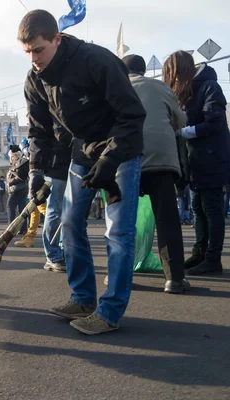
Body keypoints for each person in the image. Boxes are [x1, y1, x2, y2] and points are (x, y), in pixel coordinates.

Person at [19, 10, 146, 335]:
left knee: (118, 233)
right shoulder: (35, 80)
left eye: (39, 50)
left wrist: (111, 160)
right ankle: (83, 297)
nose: (34, 59)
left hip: (122, 150)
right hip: (83, 152)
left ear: (57, 40)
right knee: (70, 221)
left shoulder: (95, 61)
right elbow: (39, 131)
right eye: (27, 52)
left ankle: (110, 312)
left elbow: (132, 115)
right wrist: (36, 170)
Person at [123, 54, 190, 293]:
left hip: (126, 157)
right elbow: (181, 120)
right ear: (143, 70)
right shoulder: (160, 87)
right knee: (167, 218)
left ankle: (119, 277)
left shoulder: (115, 87)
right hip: (161, 159)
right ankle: (174, 279)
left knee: (122, 221)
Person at [163, 51, 229, 276]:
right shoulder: (193, 90)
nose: (173, 81)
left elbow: (215, 122)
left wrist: (184, 131)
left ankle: (213, 258)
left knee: (211, 209)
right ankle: (200, 252)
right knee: (199, 209)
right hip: (197, 159)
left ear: (182, 71)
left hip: (212, 158)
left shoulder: (210, 87)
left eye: (173, 75)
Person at [6, 144, 30, 237]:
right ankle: (23, 229)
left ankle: (11, 229)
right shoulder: (21, 162)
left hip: (16, 190)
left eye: (11, 156)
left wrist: (10, 182)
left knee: (10, 208)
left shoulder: (20, 162)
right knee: (21, 210)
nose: (11, 158)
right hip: (22, 190)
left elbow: (21, 177)